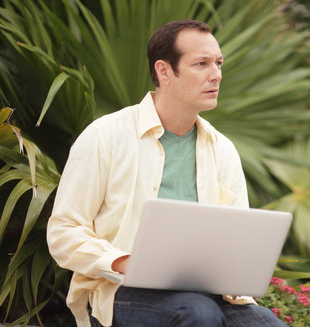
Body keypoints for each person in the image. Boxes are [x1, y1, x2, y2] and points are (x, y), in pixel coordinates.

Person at [47, 20, 287, 327]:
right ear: (164, 72)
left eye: (218, 63)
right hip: (121, 291)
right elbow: (63, 232)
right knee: (198, 314)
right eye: (201, 64)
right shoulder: (105, 136)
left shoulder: (222, 150)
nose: (216, 75)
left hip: (208, 295)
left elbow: (234, 241)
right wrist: (124, 262)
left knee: (268, 325)